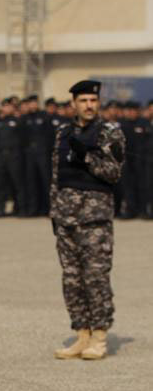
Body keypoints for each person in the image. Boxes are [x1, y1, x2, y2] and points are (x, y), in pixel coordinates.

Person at [51, 80, 124, 361]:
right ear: (74, 104)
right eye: (83, 101)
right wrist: (54, 213)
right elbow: (56, 176)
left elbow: (113, 172)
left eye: (93, 100)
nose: (89, 106)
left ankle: (100, 336)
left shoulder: (109, 133)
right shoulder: (62, 133)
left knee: (95, 278)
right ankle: (81, 334)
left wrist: (86, 157)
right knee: (72, 279)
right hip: (66, 216)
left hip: (94, 219)